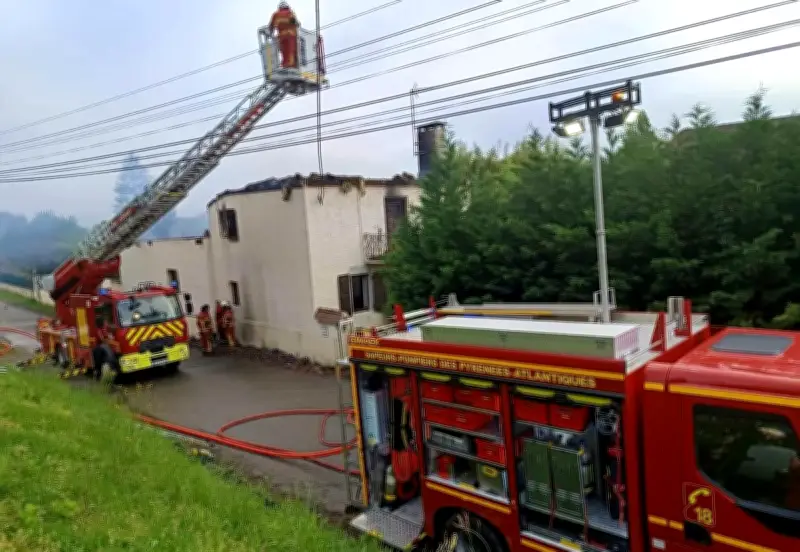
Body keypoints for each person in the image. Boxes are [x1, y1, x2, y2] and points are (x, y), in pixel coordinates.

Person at [269, 1, 300, 69]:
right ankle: (291, 66)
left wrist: (270, 34)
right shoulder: (290, 13)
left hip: (281, 37)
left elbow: (271, 26)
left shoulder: (275, 14)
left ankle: (285, 65)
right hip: (291, 36)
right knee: (291, 51)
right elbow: (297, 24)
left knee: (284, 52)